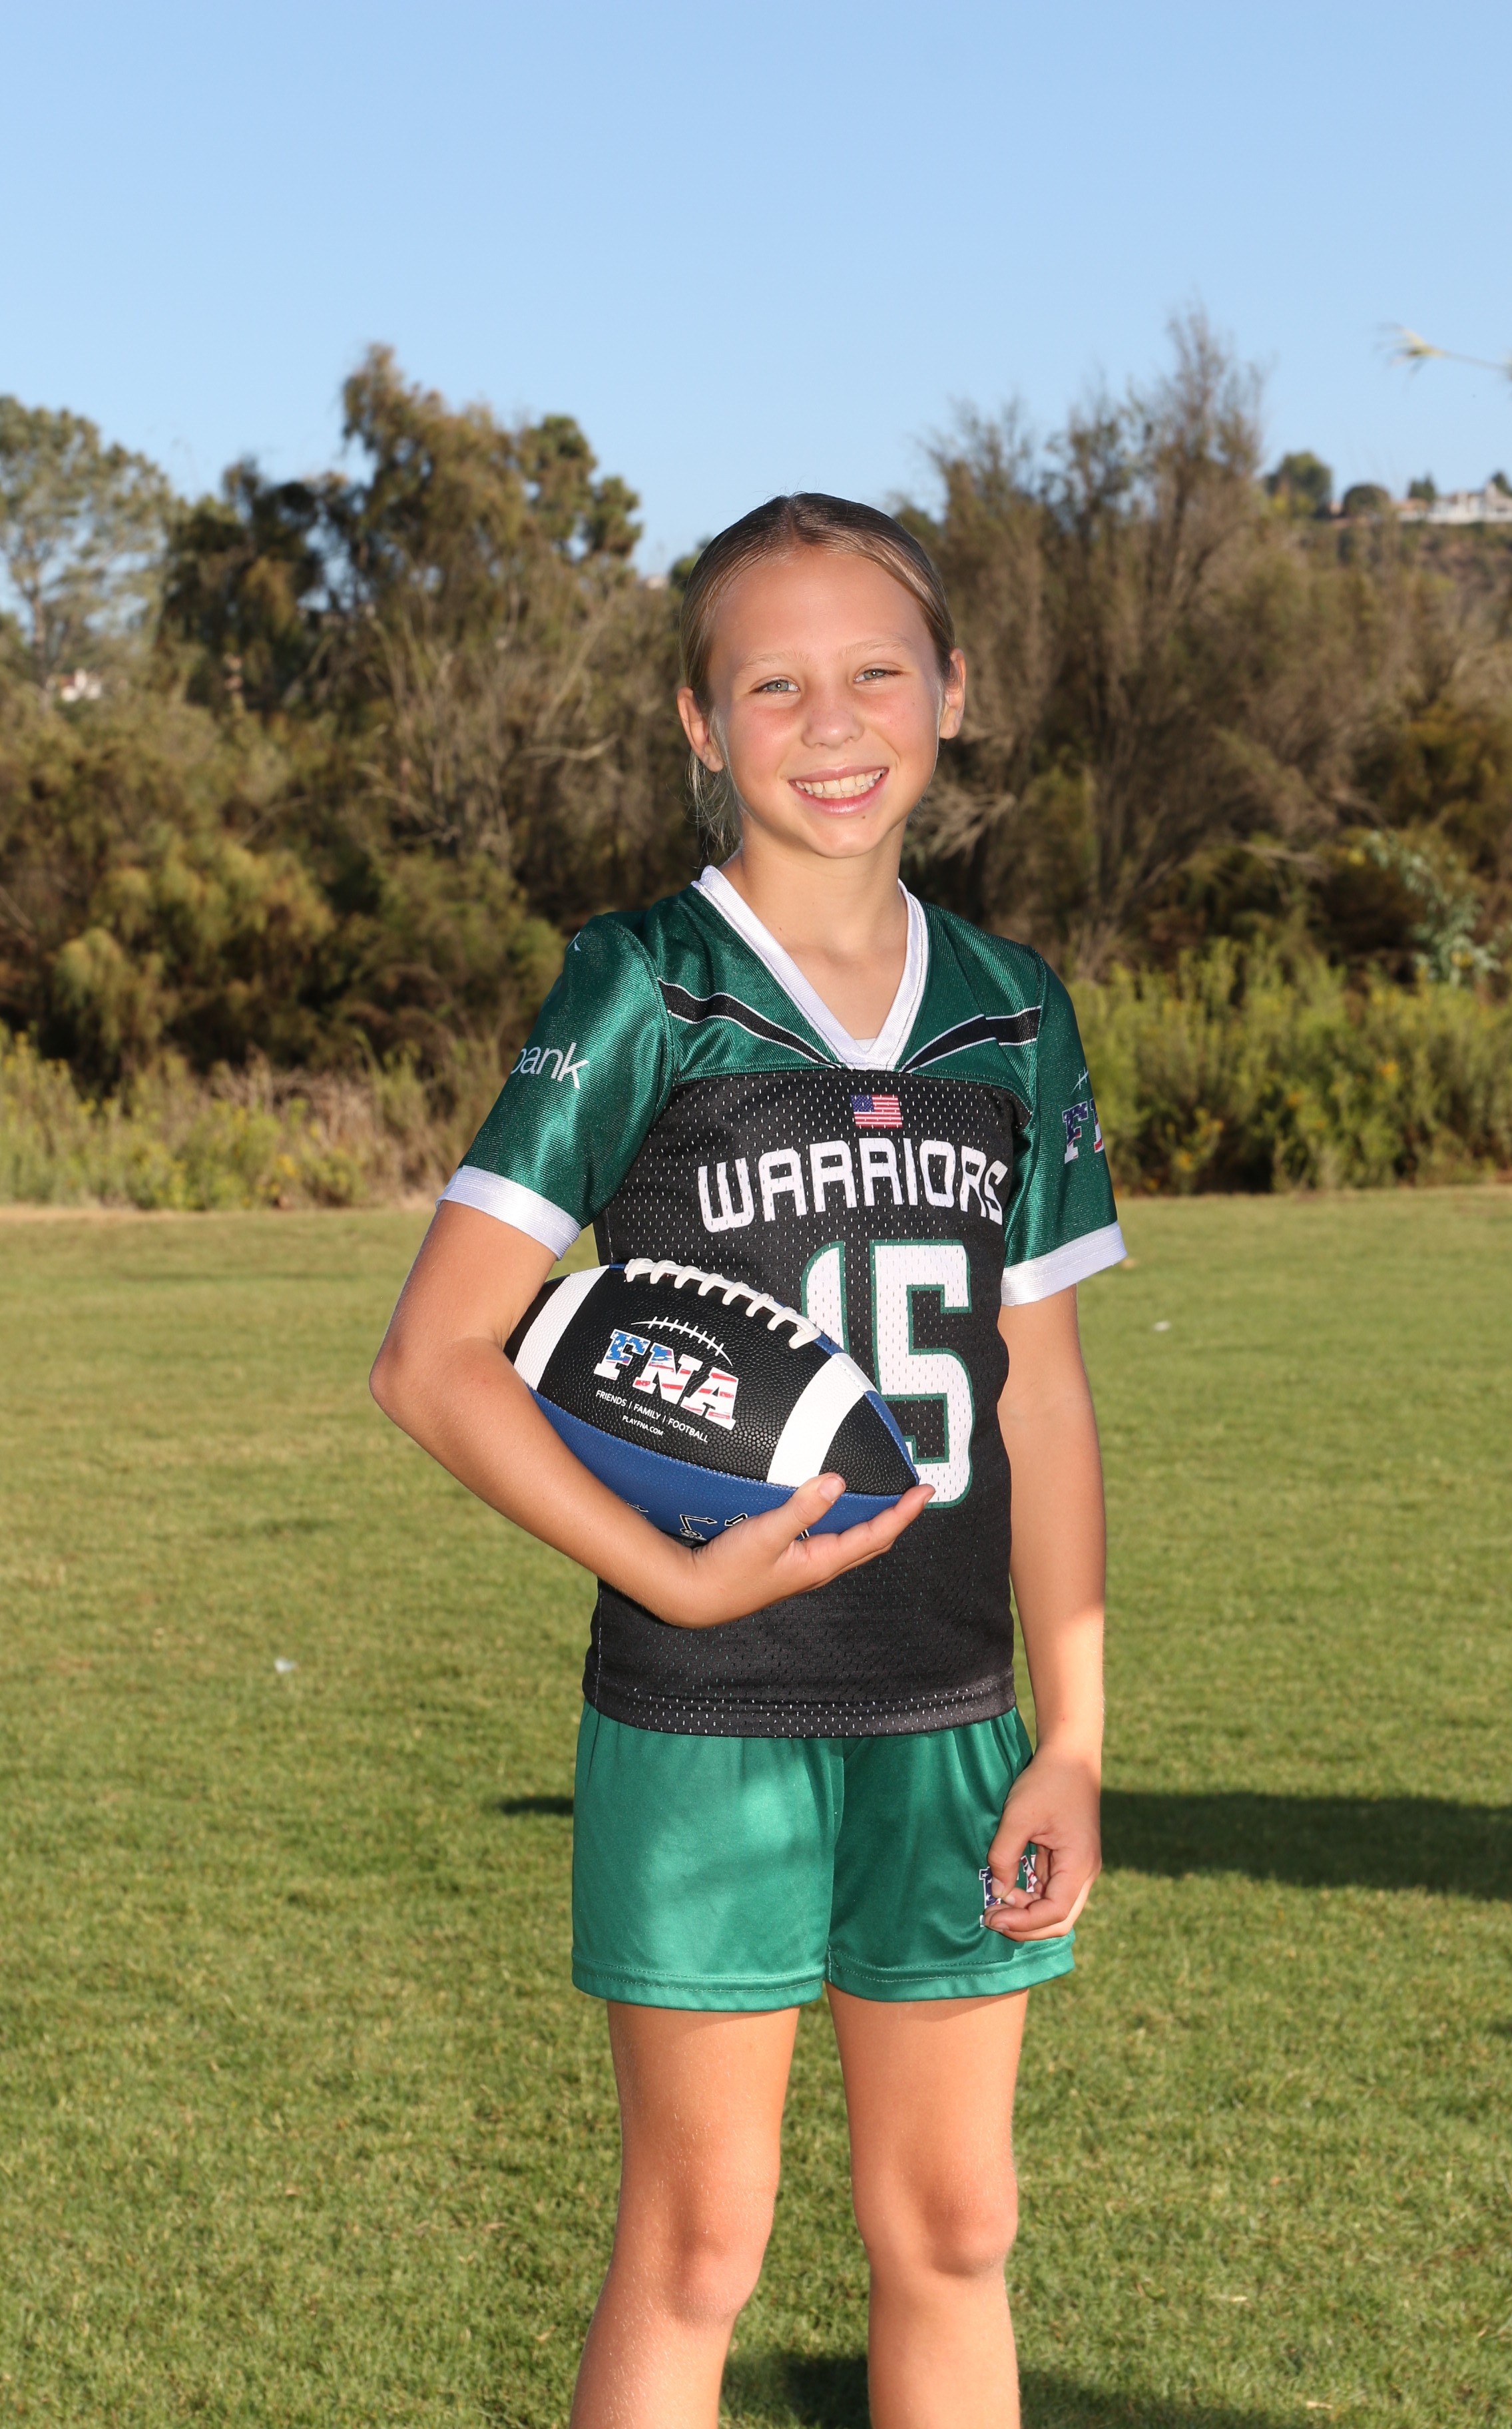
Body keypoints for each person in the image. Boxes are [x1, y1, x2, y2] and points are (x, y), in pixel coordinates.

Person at [371, 493, 1124, 2428]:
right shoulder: (646, 983)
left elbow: (1038, 1392)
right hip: (706, 1713)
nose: (832, 720)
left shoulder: (1013, 1007)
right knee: (699, 2245)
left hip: (950, 1713)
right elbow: (436, 1361)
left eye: (875, 669)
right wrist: (675, 1573)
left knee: (956, 2230)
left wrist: (1073, 1735)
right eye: (773, 684)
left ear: (953, 692)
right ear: (701, 727)